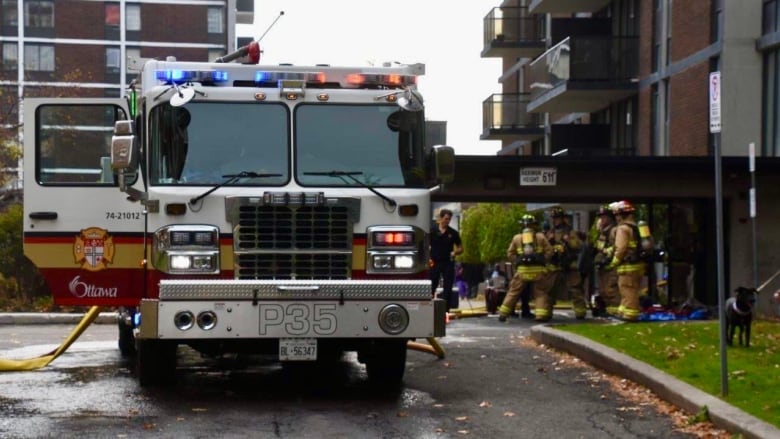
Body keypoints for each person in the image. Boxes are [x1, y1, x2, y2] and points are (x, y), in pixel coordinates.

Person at [498, 214, 554, 322]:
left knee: (513, 292)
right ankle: (540, 315)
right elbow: (550, 252)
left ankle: (503, 314)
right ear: (534, 225)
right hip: (538, 271)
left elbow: (510, 254)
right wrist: (542, 259)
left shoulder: (517, 238)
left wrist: (518, 261)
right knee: (540, 292)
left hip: (522, 271)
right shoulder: (541, 237)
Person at [605, 200, 646, 322]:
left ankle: (630, 315)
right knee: (627, 289)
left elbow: (621, 248)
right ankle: (623, 311)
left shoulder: (623, 229)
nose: (616, 218)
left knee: (628, 289)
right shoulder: (636, 227)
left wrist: (614, 262)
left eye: (617, 215)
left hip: (628, 266)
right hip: (638, 265)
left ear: (622, 215)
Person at [546, 206, 587, 319]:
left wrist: (568, 241)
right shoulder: (550, 233)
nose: (554, 220)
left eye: (557, 218)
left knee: (575, 289)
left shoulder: (570, 232)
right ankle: (546, 312)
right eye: (553, 218)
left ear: (563, 218)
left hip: (569, 266)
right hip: (555, 265)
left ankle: (580, 312)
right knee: (550, 290)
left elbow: (578, 245)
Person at [429, 209, 463, 311]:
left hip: (448, 262)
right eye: (446, 219)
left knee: (448, 286)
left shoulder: (453, 233)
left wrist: (455, 252)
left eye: (449, 219)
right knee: (432, 284)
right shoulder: (432, 231)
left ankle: (445, 310)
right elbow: (425, 244)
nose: (447, 221)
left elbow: (461, 248)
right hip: (434, 262)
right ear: (441, 218)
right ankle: (429, 307)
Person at [592, 204, 620, 317]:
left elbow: (617, 246)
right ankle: (610, 312)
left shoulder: (614, 230)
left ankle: (616, 313)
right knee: (603, 291)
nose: (601, 220)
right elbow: (596, 244)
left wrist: (606, 251)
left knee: (611, 290)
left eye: (604, 217)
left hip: (611, 266)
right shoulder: (602, 231)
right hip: (603, 266)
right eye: (600, 217)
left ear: (610, 218)